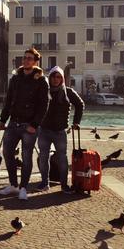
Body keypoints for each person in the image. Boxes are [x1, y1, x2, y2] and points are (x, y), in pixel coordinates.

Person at [0, 47, 49, 200]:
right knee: (7, 153)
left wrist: (35, 124)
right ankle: (13, 185)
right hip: (13, 123)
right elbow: (8, 101)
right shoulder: (16, 77)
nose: (25, 60)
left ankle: (23, 188)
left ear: (35, 61)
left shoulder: (40, 80)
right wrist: (2, 120)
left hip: (29, 125)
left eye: (29, 58)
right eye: (24, 58)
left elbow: (43, 105)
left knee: (26, 157)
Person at [37, 66, 84, 194]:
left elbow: (80, 105)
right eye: (53, 76)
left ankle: (64, 185)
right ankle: (44, 183)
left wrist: (76, 122)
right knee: (43, 157)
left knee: (62, 159)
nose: (56, 79)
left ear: (62, 79)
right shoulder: (43, 91)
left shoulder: (68, 92)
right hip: (44, 130)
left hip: (60, 132)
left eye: (59, 77)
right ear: (49, 77)